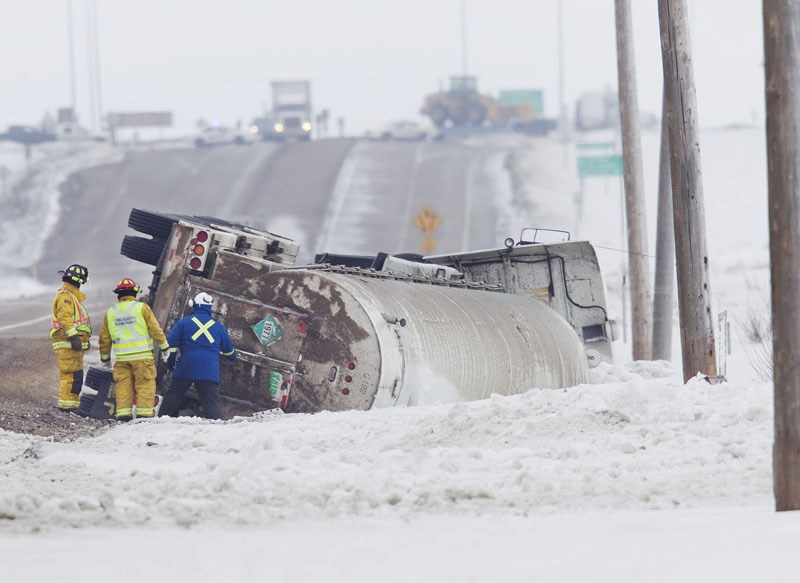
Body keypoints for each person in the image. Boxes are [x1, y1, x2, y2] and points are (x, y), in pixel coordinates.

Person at [99, 278, 170, 421]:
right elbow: (155, 329)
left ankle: (123, 415)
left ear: (118, 294)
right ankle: (143, 416)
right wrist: (164, 348)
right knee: (145, 384)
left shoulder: (111, 313)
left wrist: (105, 359)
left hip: (122, 359)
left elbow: (104, 339)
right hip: (142, 358)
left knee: (123, 386)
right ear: (135, 293)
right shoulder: (142, 308)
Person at [159, 292, 236, 420]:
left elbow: (170, 343)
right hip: (209, 370)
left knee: (173, 394)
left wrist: (170, 360)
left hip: (186, 366)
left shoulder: (184, 323)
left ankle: (160, 420)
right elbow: (230, 353)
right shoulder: (219, 327)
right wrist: (233, 355)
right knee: (210, 402)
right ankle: (217, 429)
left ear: (194, 305)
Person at [50, 264, 92, 412]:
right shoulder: (66, 297)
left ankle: (71, 405)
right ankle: (66, 406)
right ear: (78, 280)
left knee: (75, 375)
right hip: (67, 342)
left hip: (72, 344)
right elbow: (65, 318)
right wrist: (74, 336)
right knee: (70, 375)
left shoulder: (71, 297)